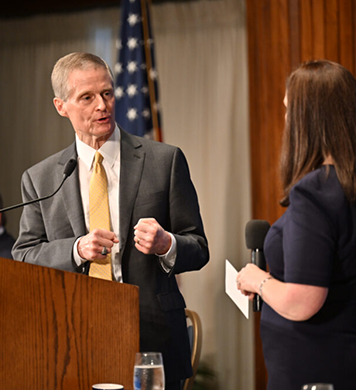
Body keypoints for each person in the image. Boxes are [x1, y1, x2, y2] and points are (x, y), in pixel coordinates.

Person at [12, 52, 209, 389]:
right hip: (74, 339)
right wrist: (75, 249)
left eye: (106, 93)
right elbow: (25, 254)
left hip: (151, 336)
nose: (101, 106)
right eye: (86, 97)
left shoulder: (164, 161)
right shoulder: (40, 178)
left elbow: (199, 248)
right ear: (61, 106)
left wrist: (167, 244)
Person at [237, 60, 356, 389]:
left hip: (319, 369)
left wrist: (257, 280)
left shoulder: (314, 192)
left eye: (288, 110)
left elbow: (302, 302)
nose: (285, 120)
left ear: (307, 119)